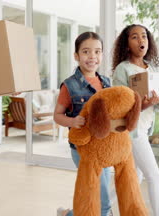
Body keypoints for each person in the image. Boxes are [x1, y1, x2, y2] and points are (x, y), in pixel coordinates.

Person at [111, 24, 159, 216]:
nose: (141, 40)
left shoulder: (153, 68)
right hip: (132, 131)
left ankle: (85, 210)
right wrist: (145, 104)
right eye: (135, 37)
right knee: (155, 177)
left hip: (145, 128)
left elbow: (157, 105)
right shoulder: (122, 69)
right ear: (126, 44)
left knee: (133, 179)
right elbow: (120, 107)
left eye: (144, 36)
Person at [54, 32, 113, 216]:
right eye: (86, 51)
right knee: (102, 197)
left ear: (102, 55)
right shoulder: (69, 86)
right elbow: (57, 116)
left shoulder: (106, 82)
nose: (92, 56)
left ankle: (68, 215)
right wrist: (73, 121)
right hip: (82, 150)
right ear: (76, 56)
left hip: (103, 147)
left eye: (97, 51)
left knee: (93, 194)